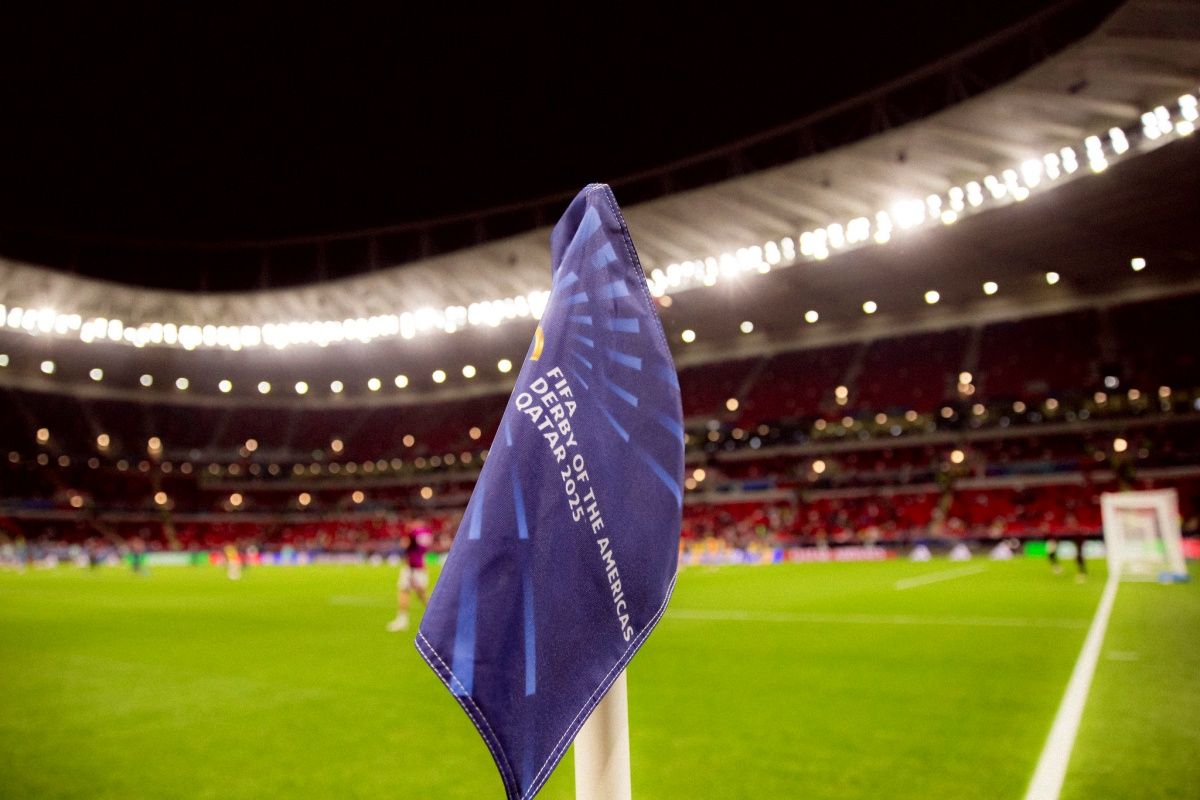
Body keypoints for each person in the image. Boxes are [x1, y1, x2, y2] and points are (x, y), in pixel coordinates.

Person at [387, 530, 430, 632]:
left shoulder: (413, 537)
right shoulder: (424, 538)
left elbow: (404, 545)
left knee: (406, 592)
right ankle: (437, 617)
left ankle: (402, 620)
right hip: (419, 569)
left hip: (413, 569)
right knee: (421, 595)